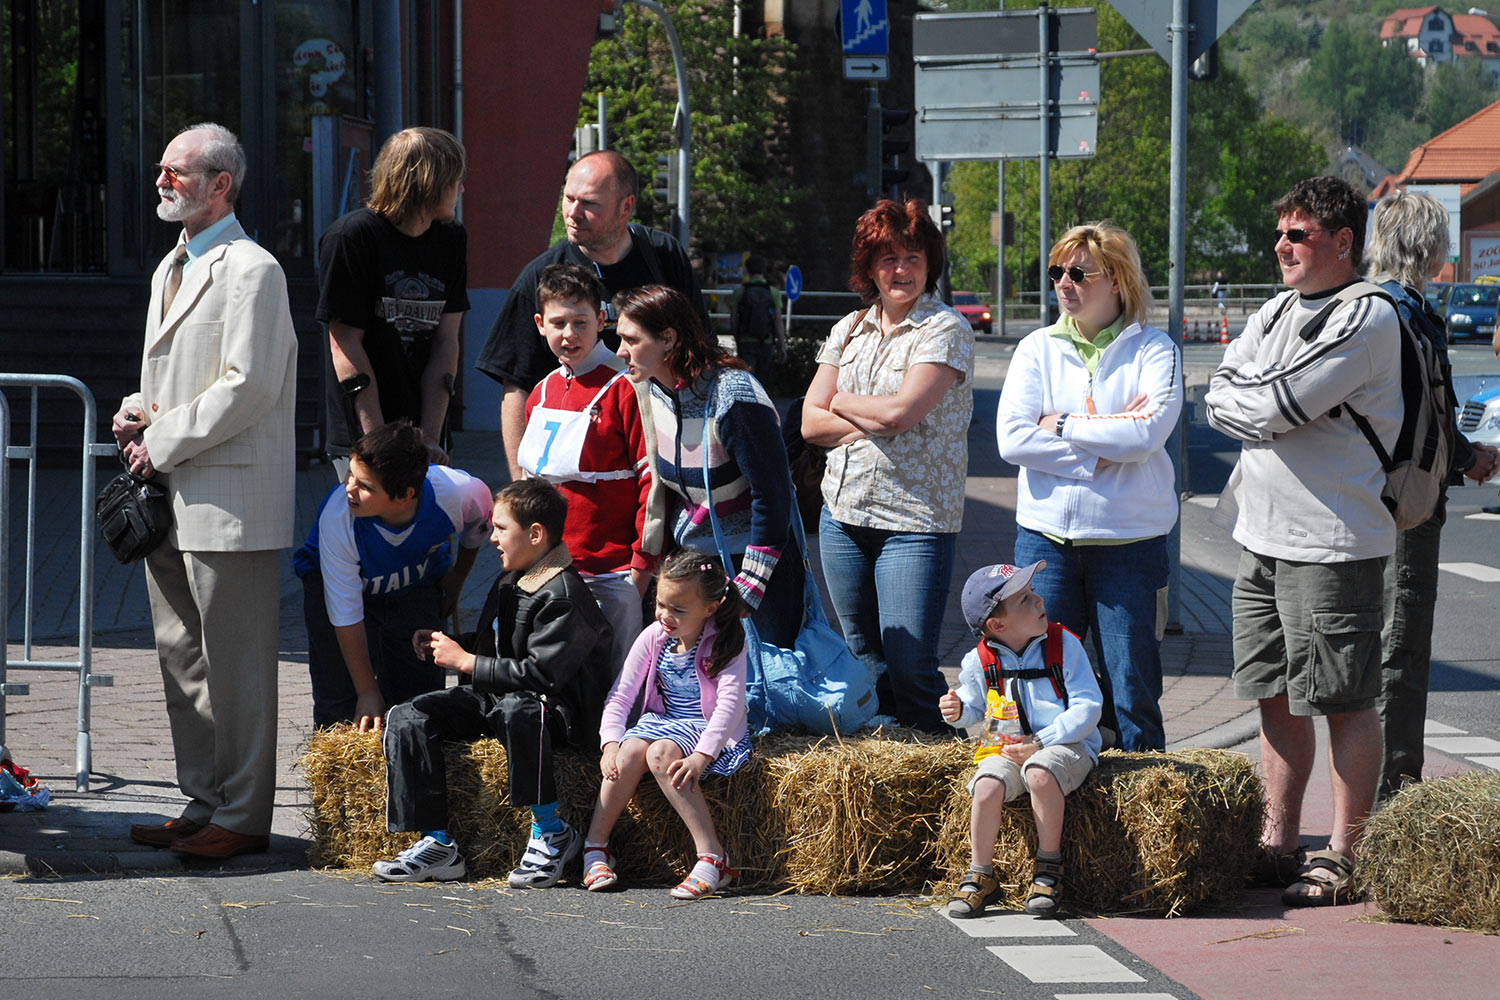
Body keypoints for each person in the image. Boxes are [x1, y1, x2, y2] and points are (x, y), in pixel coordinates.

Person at [1204, 175, 1402, 906]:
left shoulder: (1368, 317)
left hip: (1332, 539)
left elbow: (1280, 405)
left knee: (1344, 698)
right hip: (1260, 532)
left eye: (1298, 235)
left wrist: (1257, 400)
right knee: (1274, 695)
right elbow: (1225, 394)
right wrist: (1255, 400)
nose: (1280, 246)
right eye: (1280, 233)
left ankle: (1346, 854)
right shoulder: (1277, 308)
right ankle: (1279, 842)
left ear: (1343, 242)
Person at [113, 123, 297, 860]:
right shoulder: (172, 265)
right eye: (161, 168)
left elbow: (248, 387)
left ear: (221, 184)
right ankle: (204, 799)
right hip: (172, 489)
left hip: (229, 499)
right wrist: (138, 408)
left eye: (178, 171)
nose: (162, 179)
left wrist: (156, 441)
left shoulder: (254, 269)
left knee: (237, 664)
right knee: (183, 654)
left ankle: (244, 815)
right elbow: (177, 379)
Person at [996, 221, 1182, 752]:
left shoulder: (1156, 350)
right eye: (1057, 271)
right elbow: (1011, 440)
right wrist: (1100, 452)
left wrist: (1059, 424)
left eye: (1079, 272)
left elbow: (1146, 434)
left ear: (1118, 281)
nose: (1063, 282)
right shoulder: (1035, 348)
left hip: (1129, 544)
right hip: (1045, 542)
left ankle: (1145, 813)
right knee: (1046, 683)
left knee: (1131, 687)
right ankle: (1058, 807)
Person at [373, 478, 614, 885]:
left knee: (519, 707)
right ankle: (437, 842)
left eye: (501, 529)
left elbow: (541, 674)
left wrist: (465, 661)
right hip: (501, 698)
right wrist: (448, 644)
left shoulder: (563, 595)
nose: (493, 539)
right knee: (409, 714)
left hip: (555, 713)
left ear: (535, 534)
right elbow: (498, 645)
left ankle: (552, 830)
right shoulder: (512, 578)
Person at [800, 199, 974, 733]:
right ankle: (886, 765)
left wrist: (845, 401)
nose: (901, 270)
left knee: (910, 664)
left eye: (914, 257)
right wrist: (874, 418)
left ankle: (941, 773)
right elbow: (808, 423)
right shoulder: (849, 328)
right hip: (843, 513)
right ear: (869, 266)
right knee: (863, 658)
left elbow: (901, 414)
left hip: (914, 521)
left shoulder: (944, 329)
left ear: (930, 264)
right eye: (889, 258)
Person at [1364, 191, 1500, 800]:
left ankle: (1373, 794)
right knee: (1401, 647)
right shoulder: (1408, 314)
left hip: (1362, 501)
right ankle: (1392, 797)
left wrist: (1466, 457)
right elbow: (1429, 417)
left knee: (1372, 648)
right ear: (1430, 247)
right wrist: (1470, 459)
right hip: (1405, 506)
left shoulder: (1362, 305)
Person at [474, 150, 710, 482]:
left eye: (589, 204)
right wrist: (520, 484)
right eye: (568, 198)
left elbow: (699, 353)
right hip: (578, 468)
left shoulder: (664, 257)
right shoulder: (540, 276)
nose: (573, 213)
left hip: (663, 454)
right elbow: (517, 385)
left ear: (625, 207)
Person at [615, 284, 804, 648]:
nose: (620, 351)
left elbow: (773, 493)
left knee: (760, 689)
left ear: (668, 339)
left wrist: (750, 587)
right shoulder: (651, 390)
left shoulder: (733, 396)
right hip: (695, 567)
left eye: (631, 340)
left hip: (754, 567)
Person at [292, 422, 493, 731]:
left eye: (365, 486)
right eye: (350, 475)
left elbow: (481, 521)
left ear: (404, 495)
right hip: (336, 588)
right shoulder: (338, 517)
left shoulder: (458, 492)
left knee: (419, 695)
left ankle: (410, 771)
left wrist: (458, 576)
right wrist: (367, 691)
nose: (349, 488)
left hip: (414, 585)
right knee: (343, 698)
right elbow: (346, 615)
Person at [582, 551, 751, 898]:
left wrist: (702, 756)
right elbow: (620, 696)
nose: (664, 615)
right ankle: (596, 847)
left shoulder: (727, 642)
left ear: (711, 608)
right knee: (629, 753)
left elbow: (729, 707)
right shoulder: (654, 636)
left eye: (678, 609)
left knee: (661, 754)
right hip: (663, 721)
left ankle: (713, 856)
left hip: (705, 728)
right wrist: (609, 742)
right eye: (660, 604)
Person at [941, 561, 1102, 920]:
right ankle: (980, 874)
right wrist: (956, 711)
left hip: (1067, 745)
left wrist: (1042, 742)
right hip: (1009, 747)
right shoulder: (978, 660)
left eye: (1033, 593)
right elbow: (974, 708)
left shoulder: (1064, 645)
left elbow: (1088, 707)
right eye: (1026, 599)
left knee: (1039, 774)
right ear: (998, 625)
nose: (1039, 600)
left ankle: (1049, 869)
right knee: (985, 784)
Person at [519, 263, 654, 675]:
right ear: (541, 324)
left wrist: (641, 568)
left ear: (601, 320)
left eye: (580, 322)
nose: (569, 334)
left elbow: (653, 483)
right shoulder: (540, 392)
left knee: (621, 688)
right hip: (550, 570)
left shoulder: (627, 388)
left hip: (614, 572)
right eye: (558, 323)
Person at [317, 126, 468, 475]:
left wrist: (430, 439)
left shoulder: (451, 238)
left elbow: (447, 341)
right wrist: (381, 443)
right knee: (369, 527)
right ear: (430, 182)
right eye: (455, 179)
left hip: (426, 432)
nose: (461, 188)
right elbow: (345, 344)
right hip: (364, 435)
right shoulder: (350, 237)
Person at [728, 252, 786, 383]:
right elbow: (778, 321)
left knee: (747, 379)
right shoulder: (773, 292)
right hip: (766, 341)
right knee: (763, 380)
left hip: (746, 340)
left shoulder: (740, 291)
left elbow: (733, 320)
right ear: (764, 270)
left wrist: (737, 338)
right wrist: (782, 345)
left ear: (747, 270)